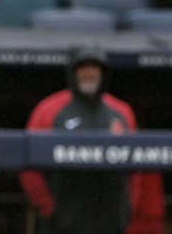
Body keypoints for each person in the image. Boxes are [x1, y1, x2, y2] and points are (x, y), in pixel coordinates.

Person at [19, 48, 164, 234]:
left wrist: (129, 205)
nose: (89, 73)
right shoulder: (49, 110)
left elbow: (135, 166)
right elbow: (27, 162)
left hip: (111, 219)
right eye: (83, 67)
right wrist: (46, 205)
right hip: (63, 221)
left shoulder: (121, 111)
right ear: (73, 71)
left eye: (95, 68)